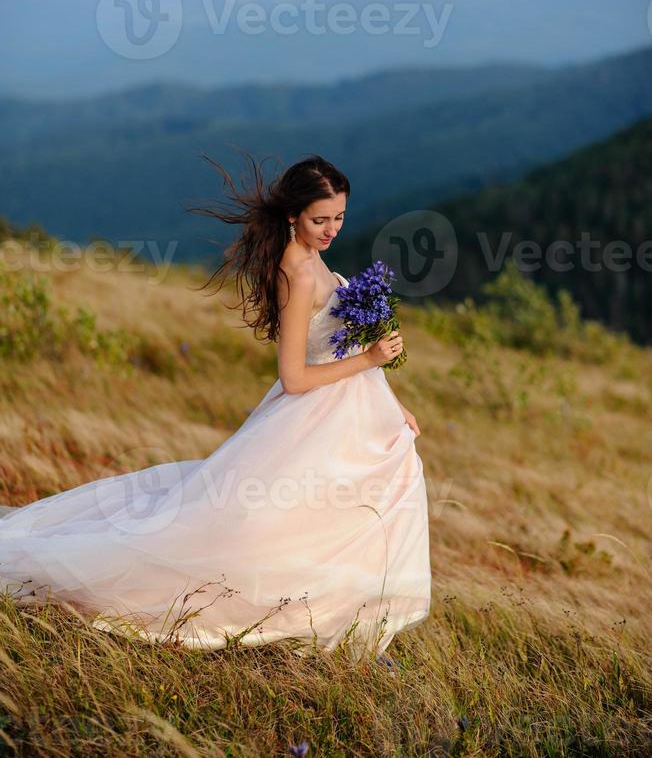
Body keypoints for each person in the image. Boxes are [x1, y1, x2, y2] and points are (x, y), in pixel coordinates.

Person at [0, 153, 431, 663]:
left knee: (364, 511)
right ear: (293, 215)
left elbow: (339, 344)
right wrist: (368, 359)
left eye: (339, 217)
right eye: (321, 219)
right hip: (313, 418)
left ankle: (358, 629)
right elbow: (294, 378)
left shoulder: (316, 257)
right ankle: (307, 623)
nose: (332, 229)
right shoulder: (294, 270)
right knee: (262, 526)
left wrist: (392, 400)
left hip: (356, 411)